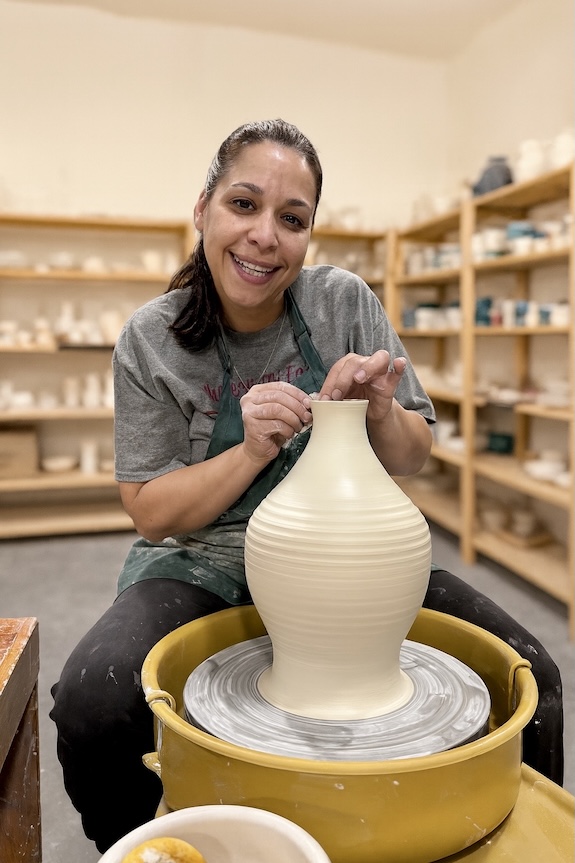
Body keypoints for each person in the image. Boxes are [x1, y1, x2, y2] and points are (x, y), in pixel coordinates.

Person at [50, 119, 563, 853]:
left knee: (531, 676)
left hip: (349, 559)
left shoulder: (341, 302)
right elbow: (151, 510)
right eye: (243, 204)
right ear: (202, 210)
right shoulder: (150, 337)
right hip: (202, 560)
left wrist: (380, 411)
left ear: (309, 234)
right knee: (94, 702)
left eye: (292, 219)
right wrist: (251, 449)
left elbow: (413, 453)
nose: (265, 236)